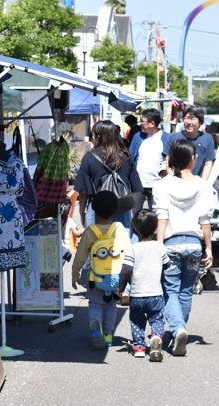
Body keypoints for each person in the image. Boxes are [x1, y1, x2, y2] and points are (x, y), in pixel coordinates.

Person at [153, 139, 216, 356]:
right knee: (186, 290)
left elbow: (161, 217)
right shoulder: (203, 185)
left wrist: (159, 246)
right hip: (193, 245)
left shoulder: (162, 185)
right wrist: (208, 247)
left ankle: (178, 328)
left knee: (170, 290)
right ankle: (180, 330)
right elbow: (205, 220)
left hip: (170, 244)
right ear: (192, 159)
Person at [72, 191, 131, 349]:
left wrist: (75, 275)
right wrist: (129, 281)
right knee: (112, 306)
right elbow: (128, 255)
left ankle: (95, 324)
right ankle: (108, 335)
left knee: (95, 303)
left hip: (95, 278)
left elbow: (80, 257)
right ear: (115, 210)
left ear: (94, 209)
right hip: (115, 278)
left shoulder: (90, 231)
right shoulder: (119, 229)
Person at [118, 210, 171, 361]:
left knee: (136, 321)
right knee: (157, 319)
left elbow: (125, 270)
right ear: (155, 228)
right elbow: (167, 264)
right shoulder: (159, 247)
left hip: (137, 295)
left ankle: (139, 347)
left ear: (134, 228)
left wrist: (121, 289)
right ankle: (156, 338)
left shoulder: (133, 248)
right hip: (155, 294)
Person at [74, 120, 142, 231]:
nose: (92, 138)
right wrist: (128, 207)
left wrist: (82, 212)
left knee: (96, 245)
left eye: (93, 135)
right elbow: (134, 187)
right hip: (123, 209)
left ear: (99, 136)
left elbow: (83, 191)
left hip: (97, 210)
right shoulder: (126, 156)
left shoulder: (89, 158)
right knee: (122, 245)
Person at [128, 108, 169, 213]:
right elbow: (130, 156)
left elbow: (170, 160)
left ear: (152, 123)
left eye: (143, 121)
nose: (140, 124)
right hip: (138, 183)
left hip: (158, 185)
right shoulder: (138, 136)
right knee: (134, 214)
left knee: (157, 215)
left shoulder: (166, 138)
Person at [163, 105, 215, 179]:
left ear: (200, 121)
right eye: (186, 118)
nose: (189, 122)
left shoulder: (207, 138)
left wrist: (203, 184)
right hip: (177, 182)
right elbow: (169, 163)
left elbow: (208, 163)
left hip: (198, 182)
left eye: (193, 119)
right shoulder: (173, 137)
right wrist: (173, 181)